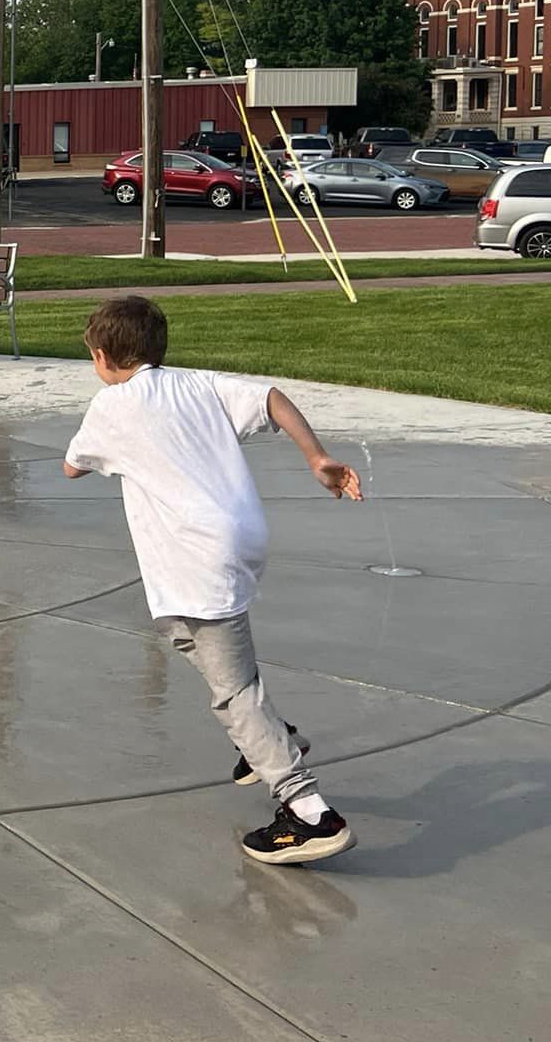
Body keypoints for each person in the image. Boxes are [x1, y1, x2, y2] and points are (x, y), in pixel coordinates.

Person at [63, 295, 361, 866]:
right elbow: (272, 398)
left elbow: (72, 465)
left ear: (102, 357)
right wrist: (315, 456)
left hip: (195, 555)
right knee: (183, 633)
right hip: (236, 540)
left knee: (233, 694)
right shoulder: (197, 383)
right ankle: (272, 738)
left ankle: (309, 812)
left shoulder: (111, 406)